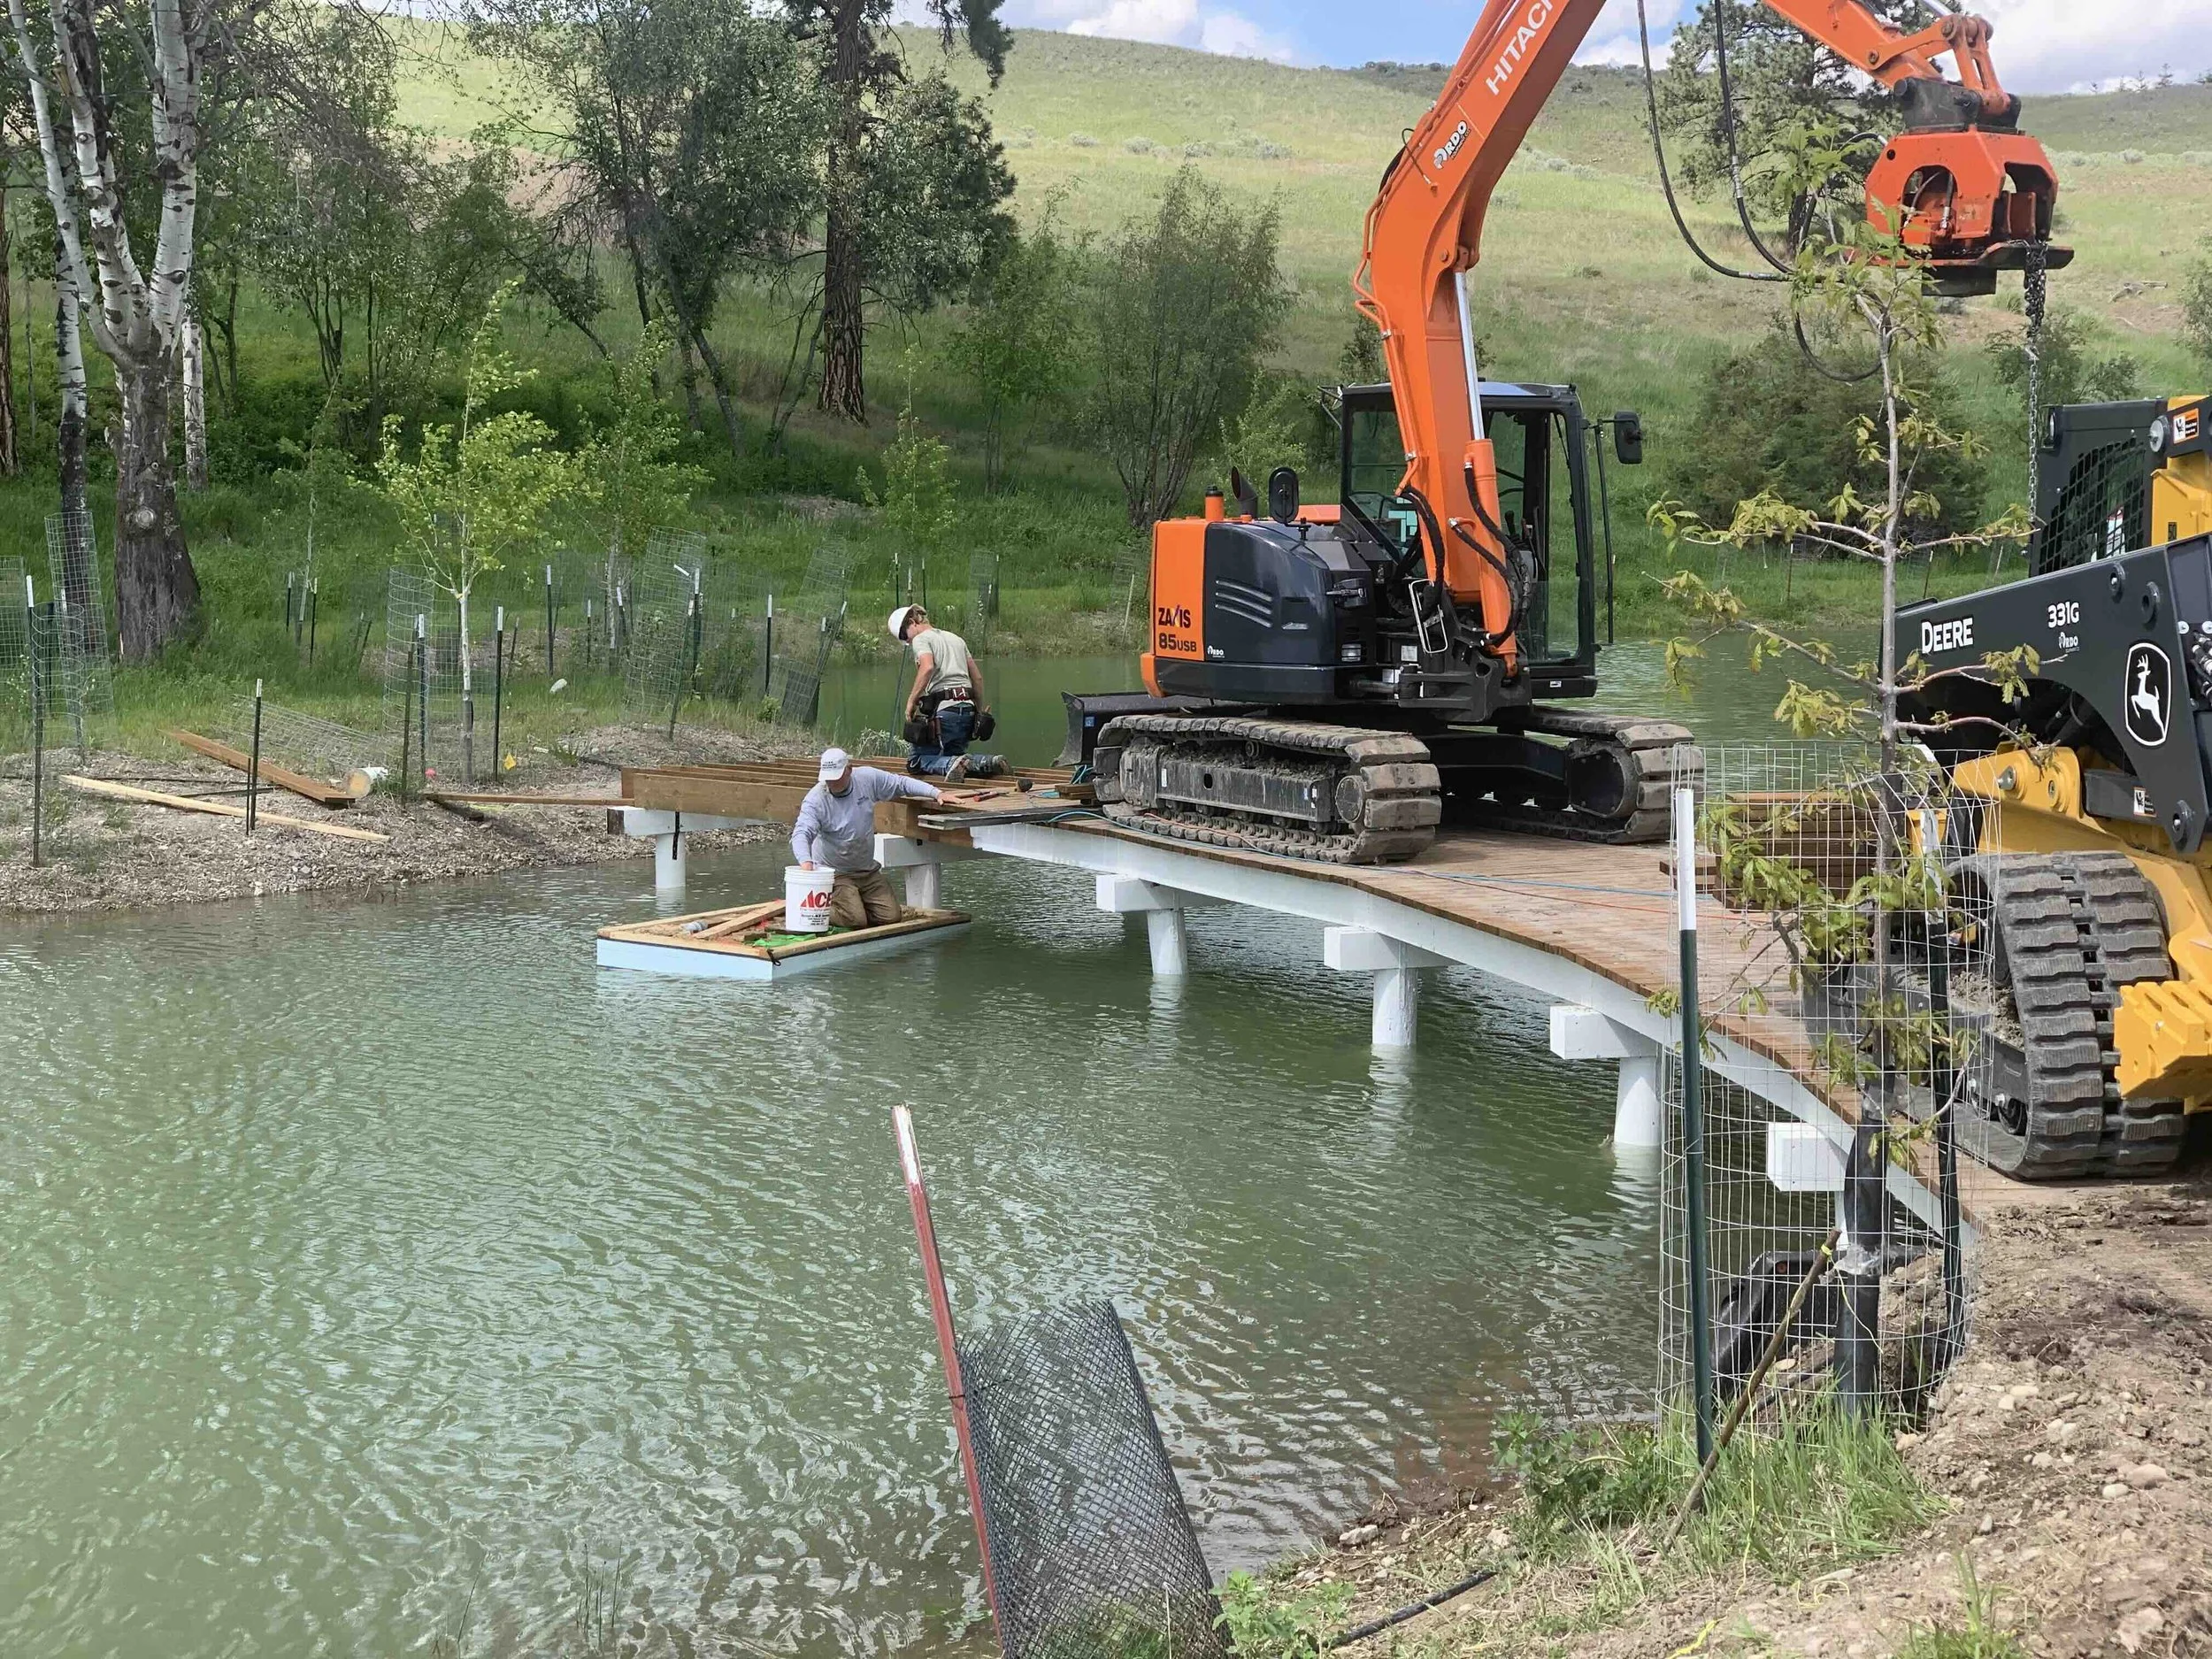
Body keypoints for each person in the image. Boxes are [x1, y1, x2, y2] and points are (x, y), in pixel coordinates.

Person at [790, 747, 942, 927]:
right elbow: (801, 833)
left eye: (837, 777)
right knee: (856, 920)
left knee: (891, 916)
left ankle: (856, 903)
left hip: (866, 870)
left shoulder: (866, 779)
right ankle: (810, 909)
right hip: (836, 873)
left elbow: (901, 784)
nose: (832, 783)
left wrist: (937, 793)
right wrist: (806, 862)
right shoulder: (816, 800)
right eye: (828, 779)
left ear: (849, 769)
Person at [890, 603, 1004, 781]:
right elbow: (978, 679)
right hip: (967, 710)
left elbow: (927, 667)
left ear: (912, 622)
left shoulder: (921, 639)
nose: (907, 642)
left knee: (916, 762)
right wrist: (978, 713)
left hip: (945, 714)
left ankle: (954, 764)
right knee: (957, 759)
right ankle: (986, 762)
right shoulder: (956, 639)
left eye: (905, 636)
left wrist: (911, 702)